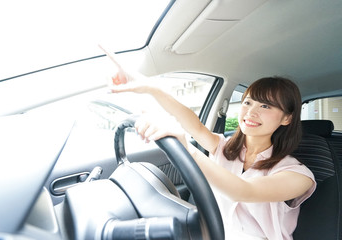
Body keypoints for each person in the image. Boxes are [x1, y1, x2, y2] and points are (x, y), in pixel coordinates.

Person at [101, 47, 316, 240]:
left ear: (287, 118)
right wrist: (151, 88)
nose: (251, 111)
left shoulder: (298, 175)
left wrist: (188, 150)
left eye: (266, 106)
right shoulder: (224, 148)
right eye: (248, 102)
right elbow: (195, 126)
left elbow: (245, 191)